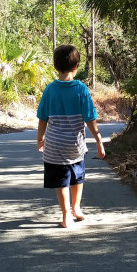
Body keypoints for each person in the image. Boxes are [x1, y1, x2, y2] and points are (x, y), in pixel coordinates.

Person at [36, 44, 105, 228]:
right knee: (78, 177)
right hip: (75, 145)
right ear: (76, 66)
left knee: (61, 181)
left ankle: (66, 214)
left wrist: (39, 138)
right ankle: (76, 208)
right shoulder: (81, 89)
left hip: (54, 145)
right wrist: (99, 141)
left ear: (55, 66)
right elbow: (90, 118)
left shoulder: (50, 89)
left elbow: (42, 118)